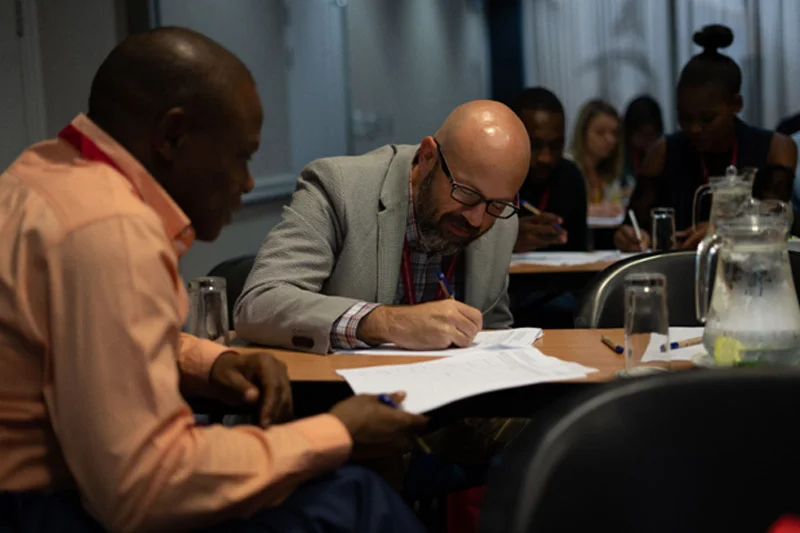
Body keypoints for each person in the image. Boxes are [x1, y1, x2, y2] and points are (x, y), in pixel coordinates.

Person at [0, 27, 429, 533]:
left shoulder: (37, 176)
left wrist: (213, 362)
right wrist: (337, 432)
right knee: (356, 497)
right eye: (241, 157)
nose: (248, 183)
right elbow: (145, 487)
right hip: (38, 509)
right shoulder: (110, 230)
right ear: (173, 137)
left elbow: (84, 341)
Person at [234, 100, 531, 354]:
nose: (477, 219)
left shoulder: (502, 219)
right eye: (466, 193)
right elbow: (259, 304)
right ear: (428, 157)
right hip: (344, 403)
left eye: (496, 205)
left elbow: (495, 329)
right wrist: (388, 323)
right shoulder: (338, 187)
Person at [616, 24, 798, 251]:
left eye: (707, 119)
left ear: (736, 104)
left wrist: (721, 230)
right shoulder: (662, 152)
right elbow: (633, 225)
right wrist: (628, 236)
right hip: (679, 272)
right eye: (684, 118)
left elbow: (774, 223)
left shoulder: (776, 149)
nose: (694, 129)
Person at [512, 87, 589, 253]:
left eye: (555, 146)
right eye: (535, 145)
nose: (545, 158)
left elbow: (578, 252)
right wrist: (506, 240)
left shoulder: (570, 178)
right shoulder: (491, 178)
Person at [569, 99, 626, 218]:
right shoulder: (568, 167)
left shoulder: (609, 174)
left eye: (614, 134)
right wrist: (591, 211)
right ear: (583, 133)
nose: (610, 140)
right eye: (600, 133)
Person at [622, 95, 664, 182]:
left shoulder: (664, 154)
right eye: (642, 136)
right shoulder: (619, 158)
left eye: (652, 135)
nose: (647, 143)